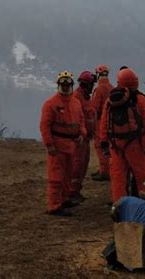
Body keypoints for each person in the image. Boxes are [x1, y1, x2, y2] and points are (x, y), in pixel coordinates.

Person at [99, 72, 145, 204]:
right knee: (143, 176)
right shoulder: (139, 99)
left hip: (115, 145)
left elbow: (104, 122)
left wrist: (104, 141)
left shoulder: (111, 100)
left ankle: (120, 206)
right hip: (136, 143)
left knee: (118, 178)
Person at [40, 71, 86, 216]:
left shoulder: (76, 103)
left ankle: (64, 199)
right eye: (63, 84)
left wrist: (81, 134)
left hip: (71, 145)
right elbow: (44, 126)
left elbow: (81, 122)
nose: (65, 87)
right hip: (58, 146)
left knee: (68, 175)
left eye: (68, 84)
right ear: (59, 85)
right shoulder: (51, 104)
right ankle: (54, 205)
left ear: (72, 85)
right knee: (56, 177)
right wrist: (49, 145)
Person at [70, 71, 96, 202]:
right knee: (77, 165)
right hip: (79, 139)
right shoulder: (76, 97)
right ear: (87, 84)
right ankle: (71, 192)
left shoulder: (86, 97)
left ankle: (77, 190)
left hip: (86, 138)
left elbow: (90, 115)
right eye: (92, 84)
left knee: (83, 165)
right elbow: (76, 119)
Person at [91, 64, 113, 181]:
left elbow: (94, 108)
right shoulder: (112, 88)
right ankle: (105, 169)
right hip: (112, 122)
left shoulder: (98, 89)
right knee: (110, 147)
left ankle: (104, 171)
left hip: (100, 122)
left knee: (100, 146)